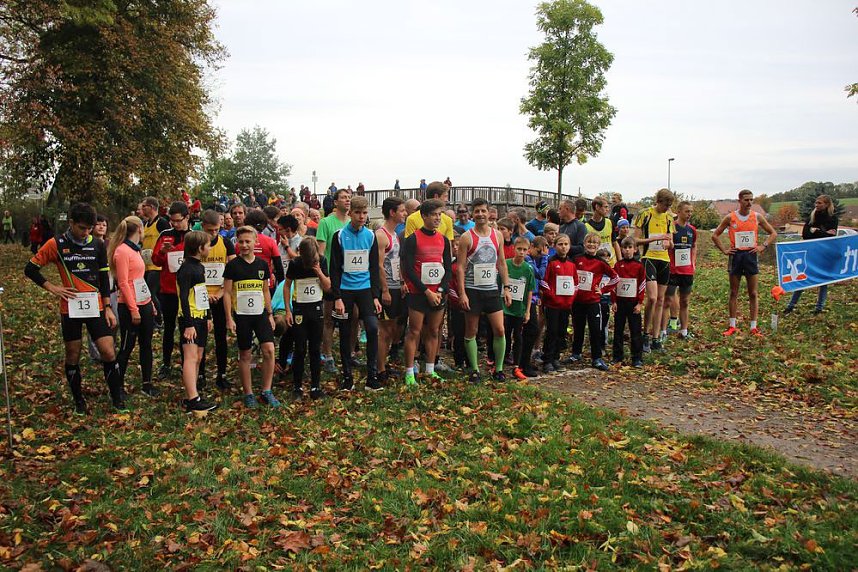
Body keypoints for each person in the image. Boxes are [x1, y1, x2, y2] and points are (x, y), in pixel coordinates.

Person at [25, 203, 121, 413]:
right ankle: (79, 401)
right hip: (70, 308)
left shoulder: (97, 245)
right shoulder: (55, 243)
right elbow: (30, 269)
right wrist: (52, 287)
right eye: (81, 228)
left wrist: (107, 306)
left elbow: (104, 277)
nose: (85, 232)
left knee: (108, 350)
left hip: (96, 306)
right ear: (71, 223)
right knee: (73, 354)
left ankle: (117, 399)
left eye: (89, 228)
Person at [329, 196, 382, 391]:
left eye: (364, 213)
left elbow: (374, 268)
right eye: (358, 213)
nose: (361, 216)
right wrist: (337, 297)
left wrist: (376, 295)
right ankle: (347, 376)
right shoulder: (339, 236)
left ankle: (372, 376)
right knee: (345, 332)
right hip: (345, 289)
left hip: (365, 288)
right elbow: (334, 268)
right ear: (350, 213)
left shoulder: (371, 235)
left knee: (372, 328)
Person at [222, 226, 279, 408]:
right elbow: (227, 293)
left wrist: (270, 314)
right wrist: (229, 318)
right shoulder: (232, 266)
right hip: (242, 316)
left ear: (255, 242)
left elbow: (265, 290)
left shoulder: (262, 265)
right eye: (241, 242)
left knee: (269, 350)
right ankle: (248, 393)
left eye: (248, 241)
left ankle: (266, 390)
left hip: (260, 314)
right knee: (245, 354)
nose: (244, 245)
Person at [458, 198, 512, 384]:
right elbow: (460, 267)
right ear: (473, 214)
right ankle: (474, 369)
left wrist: (506, 287)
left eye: (483, 211)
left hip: (491, 290)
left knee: (499, 329)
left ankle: (498, 369)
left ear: (489, 212)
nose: (480, 214)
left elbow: (502, 263)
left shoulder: (497, 235)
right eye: (477, 211)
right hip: (473, 290)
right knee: (471, 331)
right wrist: (462, 292)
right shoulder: (467, 237)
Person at [711, 189, 777, 337]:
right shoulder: (730, 217)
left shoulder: (757, 217)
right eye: (746, 200)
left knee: (753, 293)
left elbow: (773, 233)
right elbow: (715, 235)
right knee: (734, 292)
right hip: (736, 256)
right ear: (739, 200)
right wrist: (724, 250)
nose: (749, 203)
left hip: (751, 256)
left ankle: (753, 327)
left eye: (751, 200)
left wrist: (763, 246)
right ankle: (732, 326)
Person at [402, 199, 453, 386]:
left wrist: (440, 290)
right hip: (418, 293)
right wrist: (426, 292)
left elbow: (448, 269)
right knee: (414, 331)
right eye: (434, 215)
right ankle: (409, 373)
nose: (438, 218)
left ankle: (430, 370)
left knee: (433, 331)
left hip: (437, 293)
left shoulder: (444, 240)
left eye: (440, 215)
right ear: (424, 216)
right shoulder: (412, 239)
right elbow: (408, 269)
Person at [109, 215, 158, 397]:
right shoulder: (122, 251)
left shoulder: (136, 250)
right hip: (130, 306)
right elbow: (123, 283)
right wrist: (133, 309)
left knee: (146, 344)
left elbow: (139, 280)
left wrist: (150, 302)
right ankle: (118, 385)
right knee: (127, 346)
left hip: (143, 302)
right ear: (139, 229)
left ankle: (147, 382)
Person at [283, 236, 331, 399]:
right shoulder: (295, 264)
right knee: (300, 348)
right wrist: (288, 310)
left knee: (315, 349)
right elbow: (287, 285)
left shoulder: (322, 261)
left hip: (316, 309)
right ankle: (297, 386)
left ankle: (315, 386)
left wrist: (318, 272)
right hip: (299, 310)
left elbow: (328, 286)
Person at [175, 230, 218, 413]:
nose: (209, 248)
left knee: (198, 357)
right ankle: (192, 399)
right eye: (208, 246)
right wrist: (189, 323)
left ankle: (194, 393)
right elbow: (184, 298)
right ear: (200, 248)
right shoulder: (186, 269)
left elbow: (201, 293)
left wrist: (208, 316)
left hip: (201, 316)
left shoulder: (199, 267)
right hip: (190, 318)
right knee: (190, 357)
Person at [151, 201, 190, 380]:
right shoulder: (165, 235)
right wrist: (163, 252)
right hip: (167, 290)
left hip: (188, 292)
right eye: (172, 220)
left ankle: (187, 363)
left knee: (186, 329)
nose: (174, 224)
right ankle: (166, 363)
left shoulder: (194, 235)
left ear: (187, 218)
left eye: (177, 220)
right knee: (168, 328)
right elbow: (156, 260)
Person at [633, 188, 675, 352]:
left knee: (660, 300)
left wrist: (668, 243)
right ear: (658, 201)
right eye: (666, 204)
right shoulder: (645, 214)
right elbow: (635, 240)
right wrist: (655, 238)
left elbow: (671, 241)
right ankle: (645, 334)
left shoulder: (669, 218)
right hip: (649, 258)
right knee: (652, 297)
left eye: (670, 204)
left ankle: (656, 338)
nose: (667, 207)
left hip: (664, 260)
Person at [199, 209, 236, 391]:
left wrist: (221, 292)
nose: (213, 234)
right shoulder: (197, 244)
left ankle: (222, 374)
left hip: (221, 295)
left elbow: (232, 269)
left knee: (221, 336)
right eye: (209, 231)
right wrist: (205, 294)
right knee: (201, 337)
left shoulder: (226, 243)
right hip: (200, 296)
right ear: (202, 227)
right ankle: (200, 373)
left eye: (216, 230)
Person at [315, 188, 351, 372]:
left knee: (352, 317)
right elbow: (321, 253)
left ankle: (350, 354)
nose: (347, 200)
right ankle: (327, 355)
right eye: (343, 197)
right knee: (329, 319)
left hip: (351, 277)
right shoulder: (325, 222)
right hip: (332, 276)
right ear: (335, 202)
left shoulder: (353, 222)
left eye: (349, 197)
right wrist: (325, 276)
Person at [784, 194, 838, 315]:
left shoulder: (832, 218)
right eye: (816, 203)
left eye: (820, 203)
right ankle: (791, 305)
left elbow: (831, 236)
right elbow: (806, 234)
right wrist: (822, 232)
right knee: (802, 277)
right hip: (810, 252)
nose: (816, 205)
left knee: (823, 281)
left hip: (824, 254)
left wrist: (816, 231)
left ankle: (819, 307)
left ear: (826, 204)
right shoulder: (812, 217)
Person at [569, 233, 617, 371]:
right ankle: (576, 353)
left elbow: (615, 278)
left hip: (593, 301)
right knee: (578, 327)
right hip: (578, 300)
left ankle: (597, 358)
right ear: (584, 244)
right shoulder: (577, 259)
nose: (591, 244)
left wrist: (603, 289)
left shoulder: (601, 263)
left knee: (595, 329)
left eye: (595, 242)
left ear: (598, 245)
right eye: (589, 242)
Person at [376, 197, 406, 385]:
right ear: (392, 212)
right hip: (386, 289)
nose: (405, 214)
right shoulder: (381, 235)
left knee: (394, 328)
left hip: (397, 287)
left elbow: (397, 261)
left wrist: (402, 282)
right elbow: (379, 265)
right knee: (384, 331)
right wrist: (385, 290)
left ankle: (384, 364)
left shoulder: (395, 234)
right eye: (402, 210)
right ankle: (379, 369)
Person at [540, 234, 577, 373]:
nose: (564, 247)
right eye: (560, 244)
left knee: (562, 331)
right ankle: (547, 360)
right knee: (552, 331)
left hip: (566, 305)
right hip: (552, 304)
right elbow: (544, 281)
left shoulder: (572, 264)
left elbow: (575, 283)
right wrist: (552, 296)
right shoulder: (550, 262)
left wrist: (571, 298)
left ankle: (556, 358)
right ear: (555, 246)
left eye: (566, 244)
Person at [504, 237, 536, 380]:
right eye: (519, 249)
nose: (522, 252)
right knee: (503, 335)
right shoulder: (506, 265)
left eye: (524, 250)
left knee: (518, 337)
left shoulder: (528, 269)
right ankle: (498, 364)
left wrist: (528, 311)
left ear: (528, 251)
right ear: (514, 249)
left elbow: (530, 291)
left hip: (519, 309)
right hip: (505, 308)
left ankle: (517, 367)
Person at [664, 201, 697, 339]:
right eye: (686, 211)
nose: (689, 214)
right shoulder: (671, 227)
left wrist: (693, 262)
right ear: (678, 211)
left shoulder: (692, 230)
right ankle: (662, 332)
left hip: (687, 271)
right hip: (672, 270)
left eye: (690, 211)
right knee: (667, 300)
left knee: (685, 301)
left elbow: (694, 245)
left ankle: (684, 331)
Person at [612, 237, 646, 367]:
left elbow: (642, 285)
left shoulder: (639, 266)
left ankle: (637, 358)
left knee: (635, 331)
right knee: (618, 330)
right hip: (620, 302)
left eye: (630, 248)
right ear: (621, 249)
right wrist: (613, 301)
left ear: (635, 249)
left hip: (633, 303)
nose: (627, 250)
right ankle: (617, 356)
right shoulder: (618, 265)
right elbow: (614, 283)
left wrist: (640, 303)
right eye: (625, 248)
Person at [139, 197, 170, 326]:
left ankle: (159, 320)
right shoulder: (146, 224)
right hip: (146, 266)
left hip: (157, 266)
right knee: (148, 293)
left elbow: (169, 240)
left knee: (150, 293)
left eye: (144, 206)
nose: (141, 209)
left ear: (151, 207)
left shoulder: (161, 222)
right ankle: (153, 318)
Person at [585, 196, 618, 267]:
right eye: (605, 207)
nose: (608, 209)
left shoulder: (609, 222)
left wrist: (620, 260)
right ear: (597, 207)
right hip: (596, 265)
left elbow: (615, 242)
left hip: (611, 264)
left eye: (608, 207)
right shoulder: (586, 226)